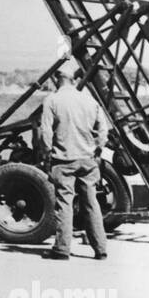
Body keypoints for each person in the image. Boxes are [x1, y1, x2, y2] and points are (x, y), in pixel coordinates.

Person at [40, 59, 110, 261]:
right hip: (88, 160)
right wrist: (97, 148)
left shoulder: (52, 101)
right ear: (73, 79)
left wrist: (46, 155)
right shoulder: (89, 101)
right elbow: (103, 131)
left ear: (57, 78)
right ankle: (100, 249)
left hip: (64, 160)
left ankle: (62, 249)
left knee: (64, 204)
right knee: (91, 203)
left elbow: (46, 134)